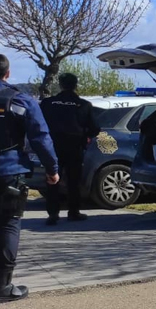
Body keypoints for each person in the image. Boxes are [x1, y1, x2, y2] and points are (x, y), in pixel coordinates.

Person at [0, 53, 59, 304]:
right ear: (7, 73)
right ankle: (1, 286)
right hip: (8, 171)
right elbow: (41, 137)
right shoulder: (19, 100)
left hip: (7, 171)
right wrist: (52, 169)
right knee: (8, 224)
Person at [40, 73, 98, 224]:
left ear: (60, 84)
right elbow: (95, 128)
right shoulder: (84, 105)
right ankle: (73, 211)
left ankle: (53, 214)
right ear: (76, 85)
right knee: (73, 181)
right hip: (74, 146)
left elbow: (38, 123)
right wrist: (84, 135)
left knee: (52, 178)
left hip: (52, 146)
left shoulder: (48, 103)